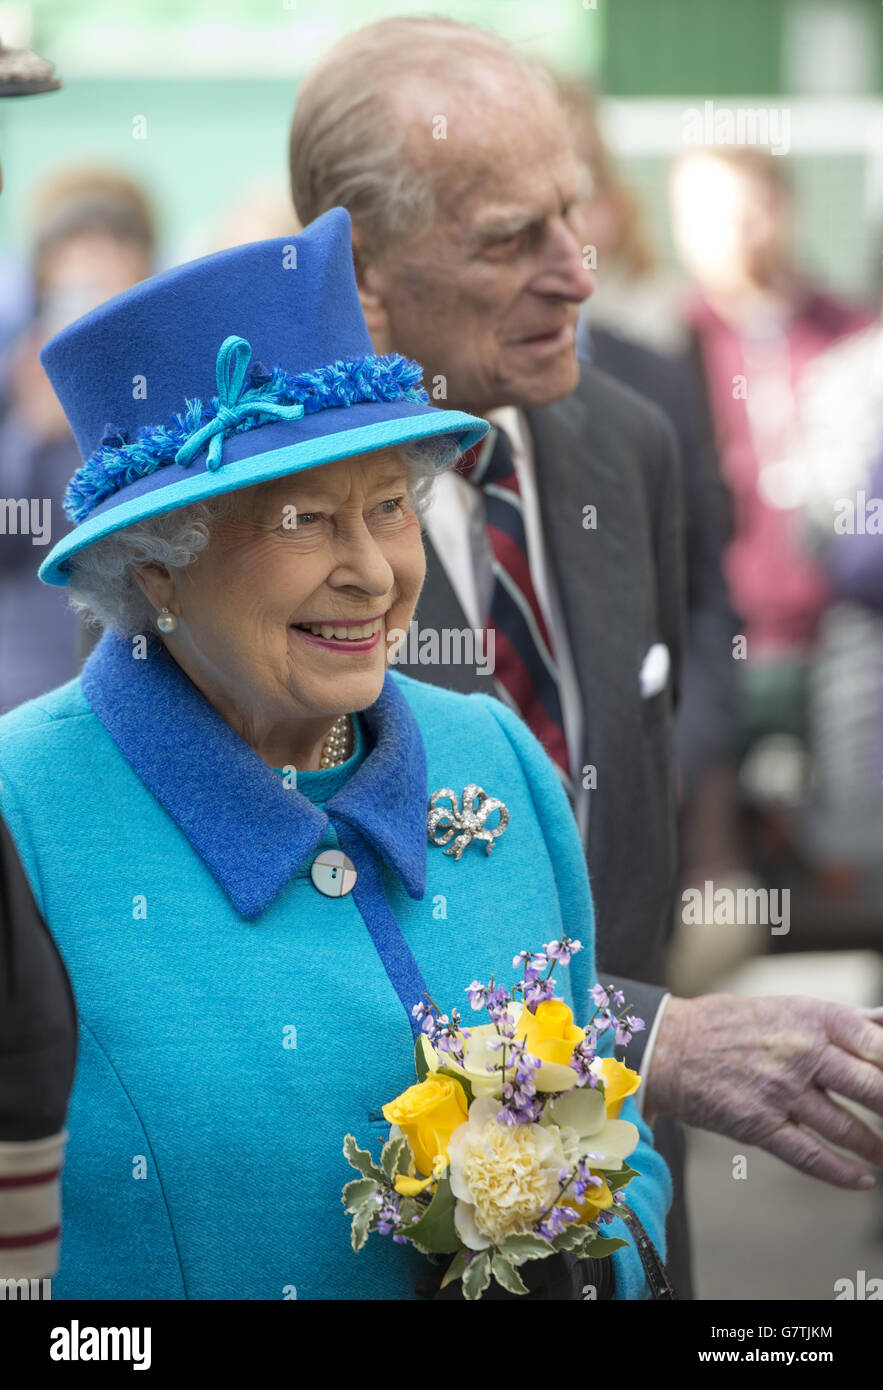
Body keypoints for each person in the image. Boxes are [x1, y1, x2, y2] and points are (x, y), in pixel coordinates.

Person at [288, 13, 883, 1300]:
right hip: (370, 1219)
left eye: (572, 215)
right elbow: (288, 930)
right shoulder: (230, 529)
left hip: (631, 1211)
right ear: (356, 270)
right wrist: (660, 1039)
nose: (577, 272)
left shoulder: (623, 439)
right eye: (510, 241)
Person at [0, 208, 671, 1300]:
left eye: (392, 506)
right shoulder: (21, 816)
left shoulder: (495, 757)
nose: (373, 572)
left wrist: (584, 1270)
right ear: (158, 568)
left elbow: (620, 1138)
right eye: (305, 520)